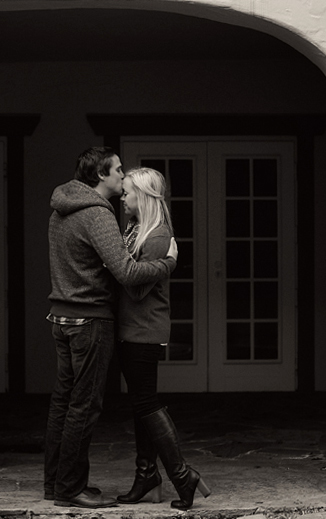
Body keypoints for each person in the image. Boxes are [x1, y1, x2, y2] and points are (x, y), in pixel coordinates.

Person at [44, 147, 178, 509]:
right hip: (89, 319)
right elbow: (128, 274)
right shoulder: (97, 214)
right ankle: (70, 488)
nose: (123, 178)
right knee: (84, 407)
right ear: (101, 175)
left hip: (61, 316)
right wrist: (167, 263)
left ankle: (55, 482)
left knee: (63, 402)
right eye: (118, 171)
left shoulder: (60, 208)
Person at [115, 167, 211, 510]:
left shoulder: (156, 236)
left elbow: (136, 287)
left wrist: (121, 266)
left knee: (146, 404)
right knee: (141, 405)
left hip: (144, 330)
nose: (122, 197)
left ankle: (182, 476)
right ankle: (147, 476)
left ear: (142, 196)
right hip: (132, 330)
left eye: (127, 192)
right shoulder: (134, 230)